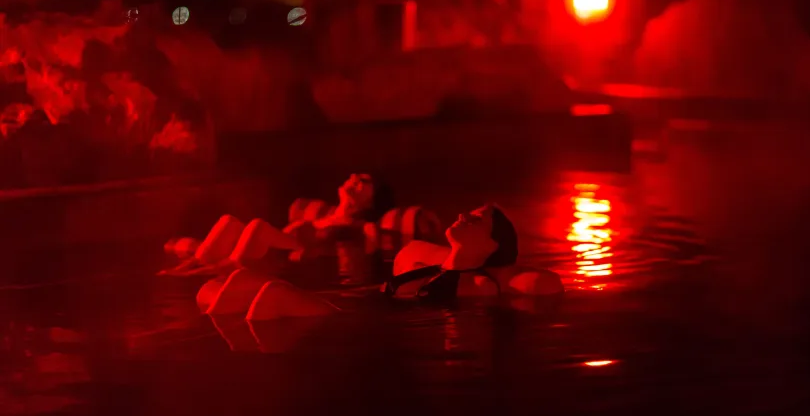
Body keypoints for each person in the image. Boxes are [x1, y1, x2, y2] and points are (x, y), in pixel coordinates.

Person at [198, 204, 564, 320]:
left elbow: (539, 283)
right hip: (351, 300)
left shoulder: (479, 284)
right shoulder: (433, 264)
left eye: (476, 220)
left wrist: (506, 267)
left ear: (489, 246)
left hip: (350, 318)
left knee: (273, 292)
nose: (463, 215)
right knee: (226, 282)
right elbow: (417, 246)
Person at [160, 173, 395, 276]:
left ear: (370, 201)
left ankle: (198, 275)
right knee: (228, 221)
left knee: (257, 226)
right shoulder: (329, 215)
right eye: (356, 176)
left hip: (282, 262)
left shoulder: (362, 225)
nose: (354, 177)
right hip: (270, 248)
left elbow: (372, 257)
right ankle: (183, 270)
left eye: (363, 181)